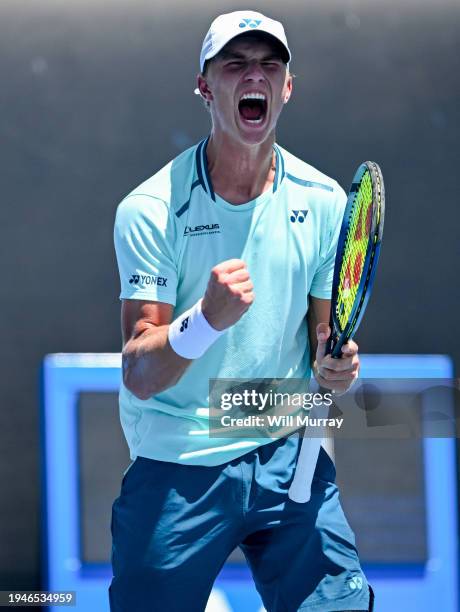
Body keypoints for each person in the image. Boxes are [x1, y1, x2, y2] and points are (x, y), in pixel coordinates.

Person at [110, 10, 373, 612]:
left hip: (287, 450)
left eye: (268, 65)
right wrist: (204, 319)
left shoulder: (326, 200)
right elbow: (140, 373)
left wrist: (337, 364)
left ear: (286, 88)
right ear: (206, 86)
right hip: (180, 459)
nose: (253, 74)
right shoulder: (150, 209)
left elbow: (324, 337)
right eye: (235, 64)